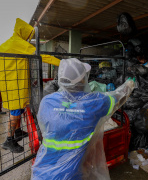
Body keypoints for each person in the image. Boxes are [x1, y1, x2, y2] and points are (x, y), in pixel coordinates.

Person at [31, 58, 135, 180]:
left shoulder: (47, 101)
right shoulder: (94, 102)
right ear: (82, 80)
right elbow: (118, 97)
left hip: (41, 172)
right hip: (71, 175)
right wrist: (129, 85)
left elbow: (44, 127)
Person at [0, 18, 60, 153]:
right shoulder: (18, 43)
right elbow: (43, 56)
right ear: (23, 33)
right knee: (15, 111)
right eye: (28, 35)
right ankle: (8, 141)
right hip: (14, 84)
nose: (28, 38)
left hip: (10, 83)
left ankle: (17, 132)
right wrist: (63, 63)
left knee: (18, 109)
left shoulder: (9, 43)